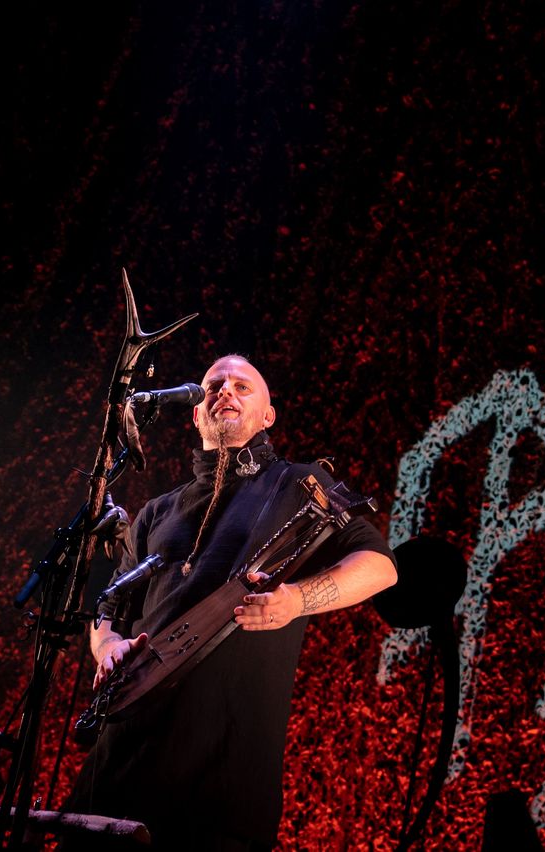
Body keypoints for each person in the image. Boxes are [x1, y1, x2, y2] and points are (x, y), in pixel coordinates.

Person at [63, 354, 397, 850]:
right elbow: (109, 607)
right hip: (123, 754)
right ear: (196, 414)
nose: (226, 391)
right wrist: (106, 645)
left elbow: (380, 566)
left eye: (243, 387)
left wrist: (296, 600)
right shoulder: (157, 511)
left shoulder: (300, 484)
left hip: (222, 768)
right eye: (215, 385)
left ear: (268, 415)